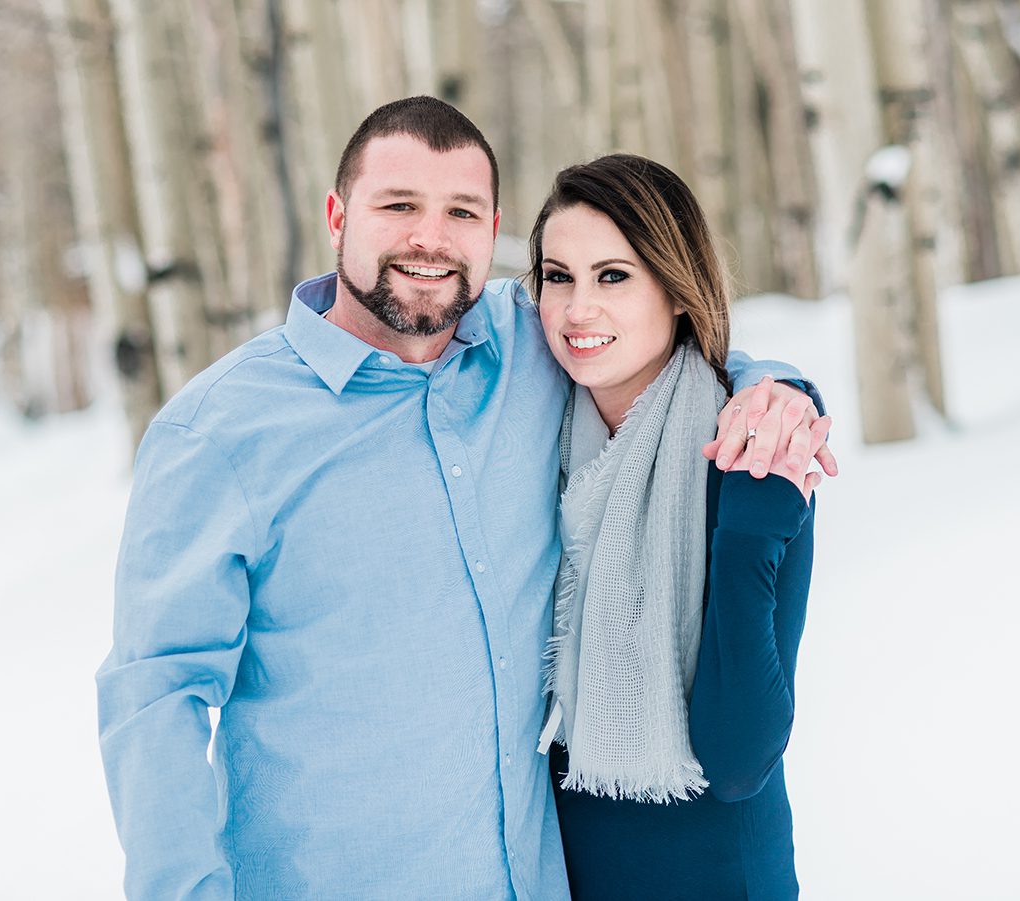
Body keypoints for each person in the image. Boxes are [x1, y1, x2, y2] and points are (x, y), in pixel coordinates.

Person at [97, 96, 833, 900]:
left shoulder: (534, 348)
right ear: (339, 215)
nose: (431, 238)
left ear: (494, 230)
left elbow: (663, 346)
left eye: (461, 211)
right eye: (399, 205)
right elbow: (156, 693)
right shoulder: (222, 430)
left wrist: (776, 392)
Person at [532, 154, 821, 900]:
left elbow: (738, 758)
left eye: (613, 275)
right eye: (557, 276)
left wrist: (752, 533)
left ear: (677, 287)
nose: (576, 309)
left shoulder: (752, 448)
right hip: (570, 867)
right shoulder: (535, 446)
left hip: (719, 874)